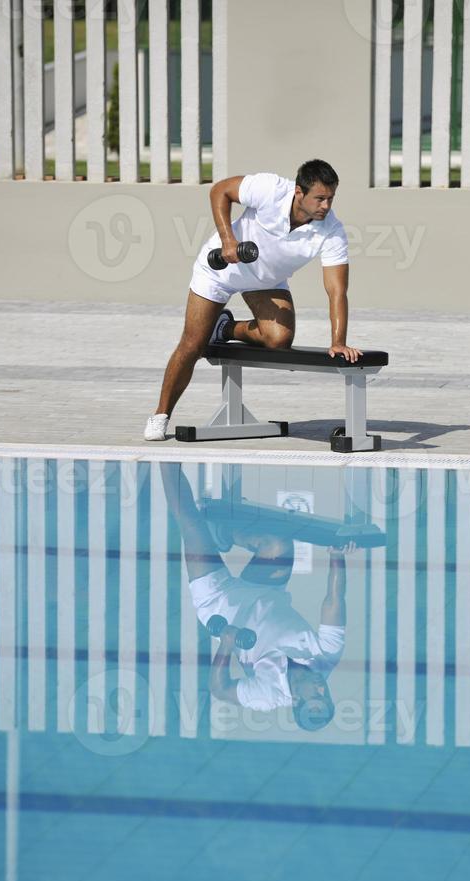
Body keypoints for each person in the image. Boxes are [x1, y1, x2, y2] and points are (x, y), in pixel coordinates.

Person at [144, 159, 362, 441]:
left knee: (279, 340)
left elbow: (336, 291)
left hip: (266, 282)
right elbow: (220, 191)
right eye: (319, 198)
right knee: (193, 343)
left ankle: (224, 328)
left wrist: (338, 341)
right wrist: (228, 240)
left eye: (330, 199)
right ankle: (160, 414)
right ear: (299, 192)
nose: (326, 206)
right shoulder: (270, 189)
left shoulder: (332, 230)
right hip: (221, 268)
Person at [161, 463, 350, 731]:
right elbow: (334, 601)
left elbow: (220, 689)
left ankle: (166, 457)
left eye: (316, 697)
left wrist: (226, 645)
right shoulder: (326, 657)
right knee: (278, 543)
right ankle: (223, 532)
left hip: (219, 604)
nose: (322, 689)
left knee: (189, 519)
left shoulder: (267, 695)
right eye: (327, 696)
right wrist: (336, 555)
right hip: (265, 590)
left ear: (296, 700)